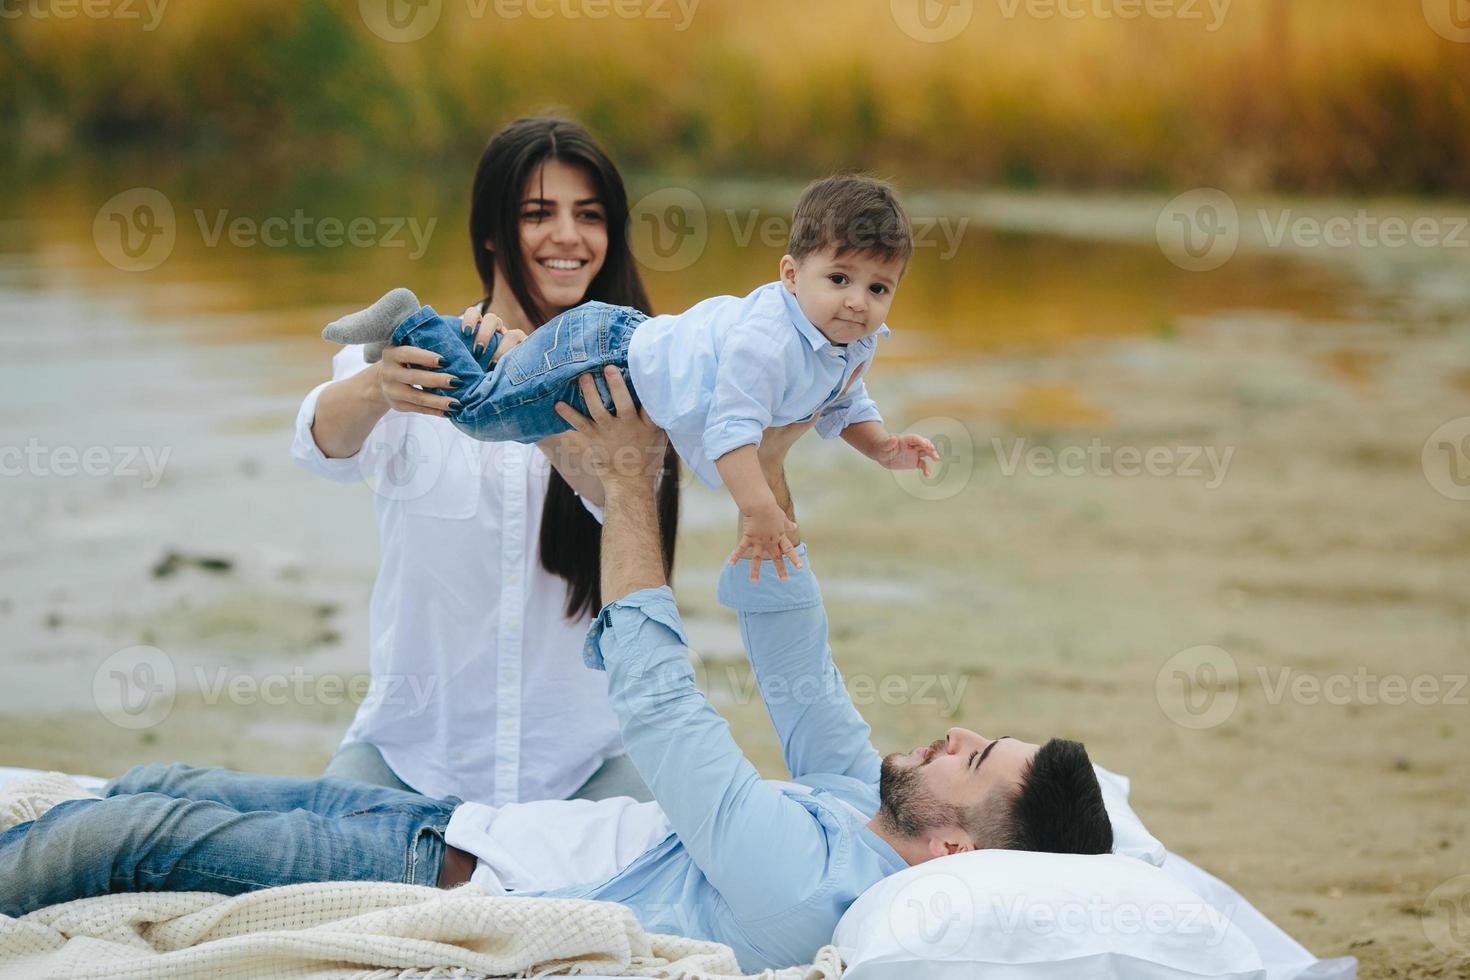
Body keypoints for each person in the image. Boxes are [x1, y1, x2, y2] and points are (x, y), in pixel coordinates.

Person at [0, 368, 1112, 973]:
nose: (955, 734)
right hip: (462, 815)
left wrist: (630, 491)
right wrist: (765, 484)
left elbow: (669, 715)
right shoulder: (849, 806)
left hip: (446, 869)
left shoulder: (809, 882)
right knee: (168, 779)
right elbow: (796, 658)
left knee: (133, 839)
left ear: (956, 846)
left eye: (975, 759)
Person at [292, 117, 678, 804]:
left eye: (589, 216)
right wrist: (378, 386)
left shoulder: (638, 382)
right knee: (310, 896)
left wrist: (516, 391)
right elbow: (320, 445)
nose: (568, 236)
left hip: (584, 769)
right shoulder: (411, 364)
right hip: (411, 757)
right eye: (539, 214)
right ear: (493, 232)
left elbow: (614, 498)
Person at [322, 174, 939, 579]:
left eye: (878, 288)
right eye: (840, 279)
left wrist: (881, 445)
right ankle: (414, 320)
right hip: (602, 354)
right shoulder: (767, 342)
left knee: (500, 392)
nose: (858, 302)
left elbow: (843, 401)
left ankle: (453, 338)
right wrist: (756, 511)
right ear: (790, 273)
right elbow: (731, 432)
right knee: (483, 417)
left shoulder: (854, 342)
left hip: (618, 356)